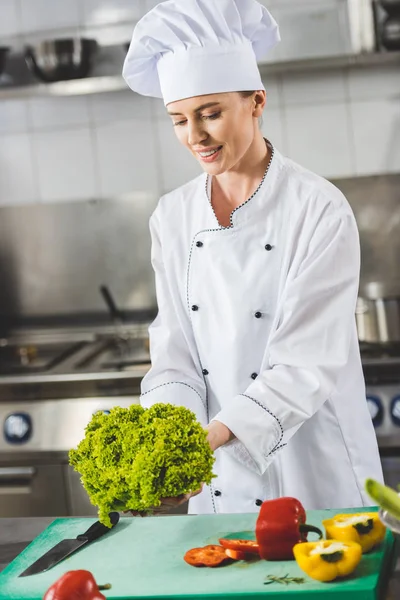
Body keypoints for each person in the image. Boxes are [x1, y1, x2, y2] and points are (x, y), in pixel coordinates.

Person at [122, 0, 383, 515]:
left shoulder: (318, 209)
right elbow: (174, 353)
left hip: (314, 469)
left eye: (210, 114)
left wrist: (212, 438)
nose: (195, 136)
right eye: (179, 119)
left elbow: (305, 363)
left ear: (257, 101)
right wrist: (175, 445)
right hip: (218, 480)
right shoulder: (172, 217)